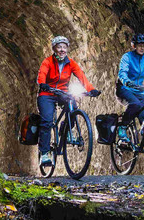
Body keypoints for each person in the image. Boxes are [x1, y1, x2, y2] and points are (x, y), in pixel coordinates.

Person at [36, 36, 99, 171]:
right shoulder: (47, 62)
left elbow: (81, 77)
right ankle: (45, 153)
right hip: (47, 94)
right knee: (47, 121)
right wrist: (43, 84)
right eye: (59, 47)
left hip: (63, 93)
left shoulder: (71, 63)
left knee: (73, 110)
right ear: (54, 49)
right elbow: (42, 75)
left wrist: (91, 89)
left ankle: (65, 130)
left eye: (64, 47)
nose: (62, 50)